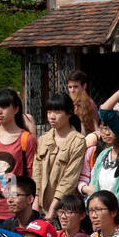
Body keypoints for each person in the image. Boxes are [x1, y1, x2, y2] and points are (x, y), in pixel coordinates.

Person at [0, 88, 36, 229]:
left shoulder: (26, 139)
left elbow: (31, 173)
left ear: (15, 109)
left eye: (4, 106)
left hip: (15, 210)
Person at [34, 94, 88, 222]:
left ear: (69, 113)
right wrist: (36, 202)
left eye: (57, 112)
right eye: (49, 111)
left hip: (65, 208)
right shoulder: (42, 139)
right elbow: (36, 173)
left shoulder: (78, 141)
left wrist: (54, 208)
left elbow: (70, 178)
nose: (52, 116)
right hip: (41, 207)